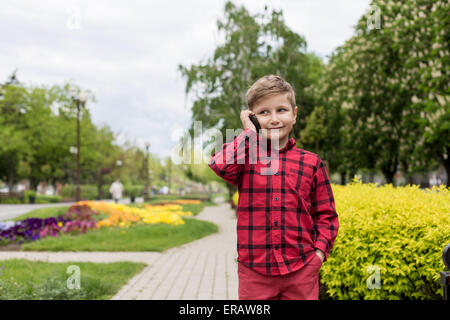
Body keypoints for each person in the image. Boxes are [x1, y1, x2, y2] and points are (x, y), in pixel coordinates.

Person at [208, 75, 339, 300]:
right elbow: (219, 165)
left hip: (301, 270)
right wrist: (249, 132)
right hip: (254, 273)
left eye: (281, 110)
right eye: (264, 112)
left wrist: (317, 255)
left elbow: (326, 216)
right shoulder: (246, 157)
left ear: (295, 114)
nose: (274, 119)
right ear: (253, 118)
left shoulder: (312, 163)